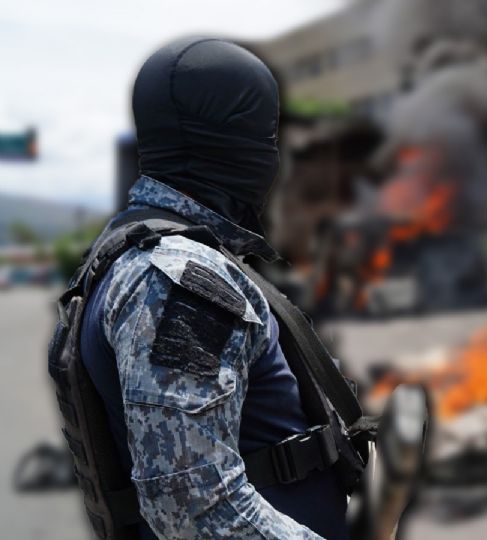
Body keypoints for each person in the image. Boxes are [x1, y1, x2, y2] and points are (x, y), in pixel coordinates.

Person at [74, 37, 350, 539]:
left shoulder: (146, 251)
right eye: (264, 135)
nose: (274, 156)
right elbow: (195, 509)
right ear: (228, 140)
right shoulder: (181, 279)